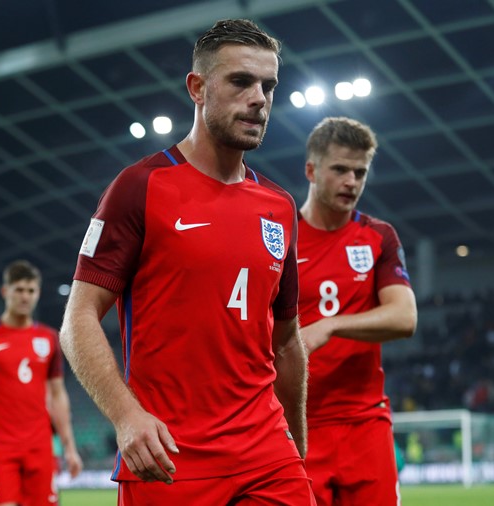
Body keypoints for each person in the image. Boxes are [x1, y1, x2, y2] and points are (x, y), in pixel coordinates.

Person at [60, 18, 315, 505]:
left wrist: (297, 452)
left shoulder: (279, 207)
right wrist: (125, 416)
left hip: (268, 460)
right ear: (197, 88)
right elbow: (78, 319)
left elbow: (286, 342)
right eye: (241, 81)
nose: (259, 98)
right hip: (169, 461)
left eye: (269, 85)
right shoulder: (141, 187)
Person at [297, 117, 418, 506]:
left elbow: (404, 317)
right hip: (298, 424)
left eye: (360, 172)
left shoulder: (378, 236)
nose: (352, 181)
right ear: (312, 170)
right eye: (340, 169)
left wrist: (330, 326)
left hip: (364, 422)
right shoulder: (278, 238)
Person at [0, 260, 82, 506]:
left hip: (40, 447)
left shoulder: (49, 339)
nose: (25, 297)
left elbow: (58, 395)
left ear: (38, 293)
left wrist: (70, 448)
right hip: (1, 448)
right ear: (5, 291)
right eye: (19, 290)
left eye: (31, 291)